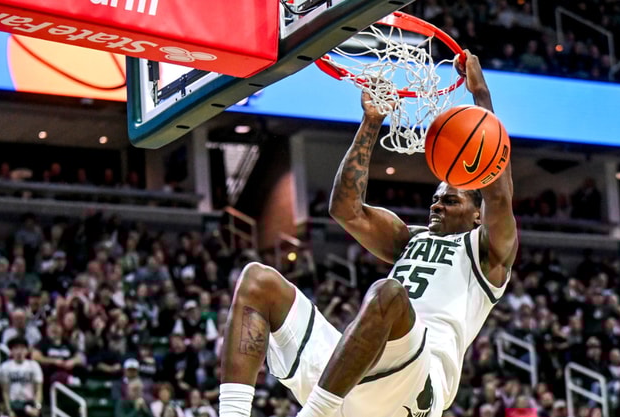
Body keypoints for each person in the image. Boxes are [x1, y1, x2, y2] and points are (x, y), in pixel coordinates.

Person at [217, 50, 517, 417]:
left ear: (476, 216)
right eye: (435, 199)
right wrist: (371, 121)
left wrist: (481, 97)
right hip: (350, 375)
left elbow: (499, 194)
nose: (435, 206)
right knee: (257, 280)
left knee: (389, 292)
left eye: (450, 201)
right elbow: (346, 210)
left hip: (417, 381)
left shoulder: (487, 256)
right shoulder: (411, 239)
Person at [0, 337, 44, 417]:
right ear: (11, 351)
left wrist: (37, 408)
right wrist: (9, 411)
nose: (19, 351)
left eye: (22, 348)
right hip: (13, 404)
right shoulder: (5, 367)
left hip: (29, 403)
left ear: (27, 350)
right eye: (16, 348)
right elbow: (5, 391)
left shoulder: (34, 365)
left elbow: (39, 389)